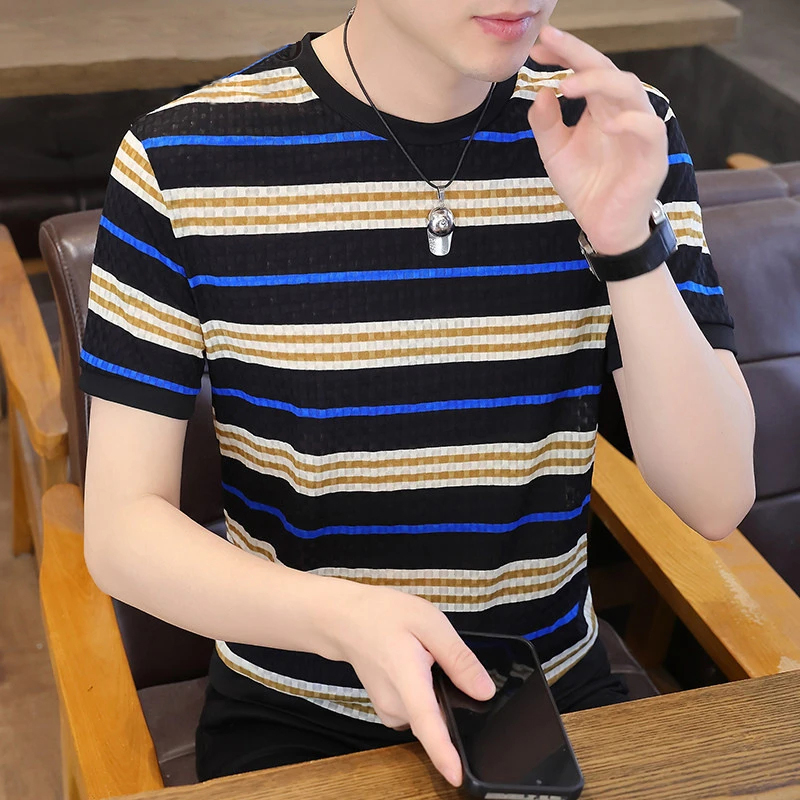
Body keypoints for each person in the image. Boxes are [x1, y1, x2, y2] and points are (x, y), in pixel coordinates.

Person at [80, 0, 757, 787]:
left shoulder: (618, 126)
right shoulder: (183, 157)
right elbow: (122, 528)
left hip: (549, 695)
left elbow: (715, 498)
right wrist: (342, 619)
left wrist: (626, 244)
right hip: (299, 708)